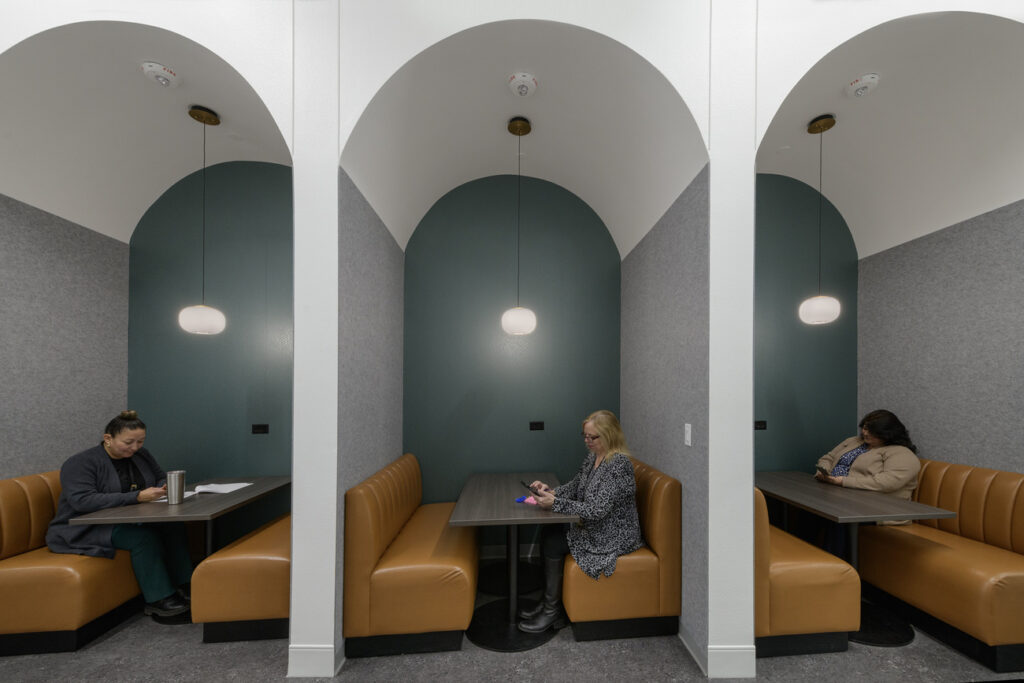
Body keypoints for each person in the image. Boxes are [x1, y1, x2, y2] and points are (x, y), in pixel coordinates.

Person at [46, 410, 193, 618]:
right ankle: (159, 599)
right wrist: (137, 497)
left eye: (140, 441)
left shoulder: (141, 455)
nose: (135, 447)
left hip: (129, 519)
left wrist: (163, 487)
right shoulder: (80, 463)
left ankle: (185, 585)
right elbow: (82, 500)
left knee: (173, 525)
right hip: (85, 527)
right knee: (143, 538)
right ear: (108, 438)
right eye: (128, 442)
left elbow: (159, 477)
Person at [519, 410, 644, 634]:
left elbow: (597, 510)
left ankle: (551, 611)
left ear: (609, 435)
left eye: (592, 437)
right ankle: (548, 603)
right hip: (596, 527)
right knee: (549, 533)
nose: (587, 441)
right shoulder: (593, 457)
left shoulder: (618, 465)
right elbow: (576, 486)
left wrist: (555, 503)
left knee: (553, 542)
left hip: (613, 535)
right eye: (585, 436)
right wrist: (550, 492)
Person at [814, 409, 921, 500]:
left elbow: (887, 483)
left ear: (887, 433)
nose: (865, 433)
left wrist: (843, 481)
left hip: (874, 505)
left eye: (872, 431)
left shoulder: (902, 454)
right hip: (835, 493)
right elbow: (828, 458)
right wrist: (823, 472)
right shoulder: (853, 441)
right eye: (865, 428)